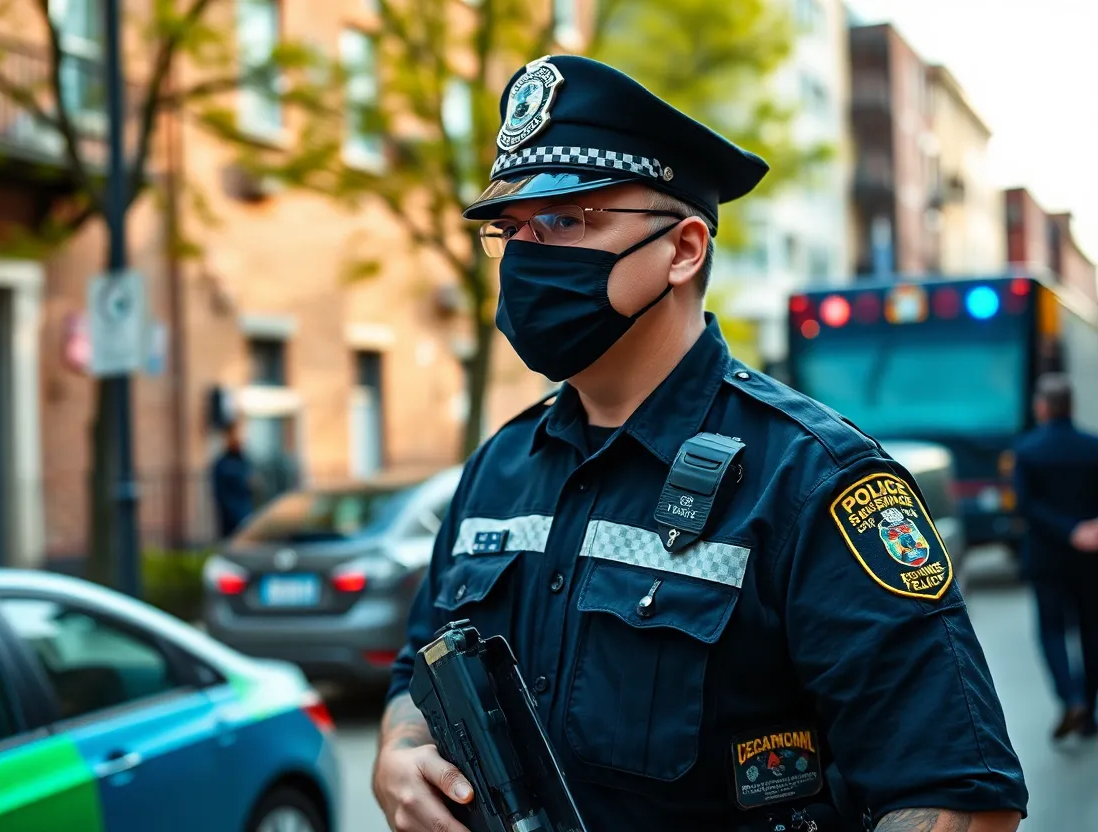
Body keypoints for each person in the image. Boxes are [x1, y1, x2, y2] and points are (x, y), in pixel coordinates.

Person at [372, 55, 1027, 832]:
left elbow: (959, 798)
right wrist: (398, 751)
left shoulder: (812, 479)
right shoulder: (498, 468)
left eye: (564, 221)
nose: (525, 256)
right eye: (510, 230)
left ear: (683, 250)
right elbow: (420, 665)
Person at [1011, 372, 1098, 740]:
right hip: (1091, 556)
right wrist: (1086, 528)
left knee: (1051, 629)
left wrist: (1066, 530)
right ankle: (1088, 712)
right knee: (1091, 631)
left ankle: (1070, 697)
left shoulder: (1027, 450)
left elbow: (1027, 505)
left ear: (1043, 407)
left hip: (1047, 555)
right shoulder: (1092, 446)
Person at [211, 422, 255, 538]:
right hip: (230, 516)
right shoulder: (222, 463)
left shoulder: (245, 461)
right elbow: (219, 492)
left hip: (246, 512)